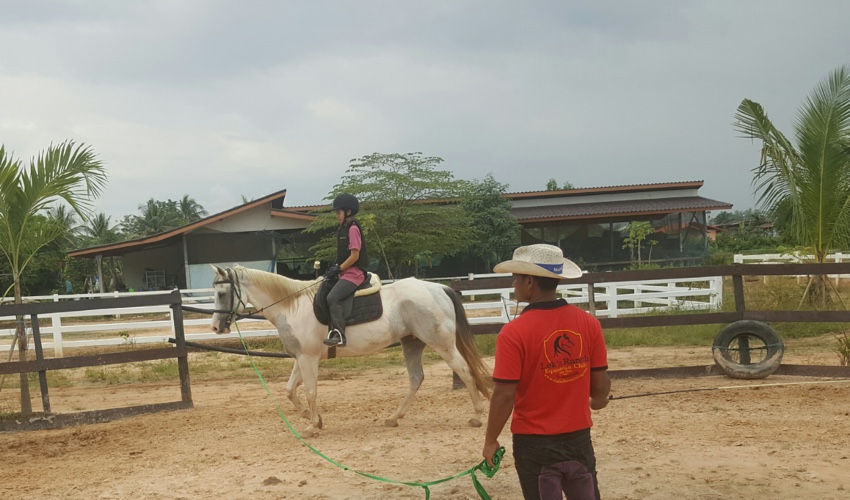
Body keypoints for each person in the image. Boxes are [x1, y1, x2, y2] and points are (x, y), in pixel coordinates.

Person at [482, 243, 611, 500]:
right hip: (578, 441)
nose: (513, 285)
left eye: (515, 279)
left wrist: (491, 441)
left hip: (535, 445)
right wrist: (598, 400)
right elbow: (600, 385)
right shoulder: (588, 323)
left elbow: (504, 395)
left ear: (529, 282)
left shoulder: (513, 333)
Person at [322, 193, 369, 347]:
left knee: (332, 298)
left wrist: (338, 268)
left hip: (354, 274)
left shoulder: (353, 229)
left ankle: (340, 335)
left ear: (348, 212)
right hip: (345, 273)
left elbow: (355, 256)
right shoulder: (343, 228)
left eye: (338, 213)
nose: (337, 216)